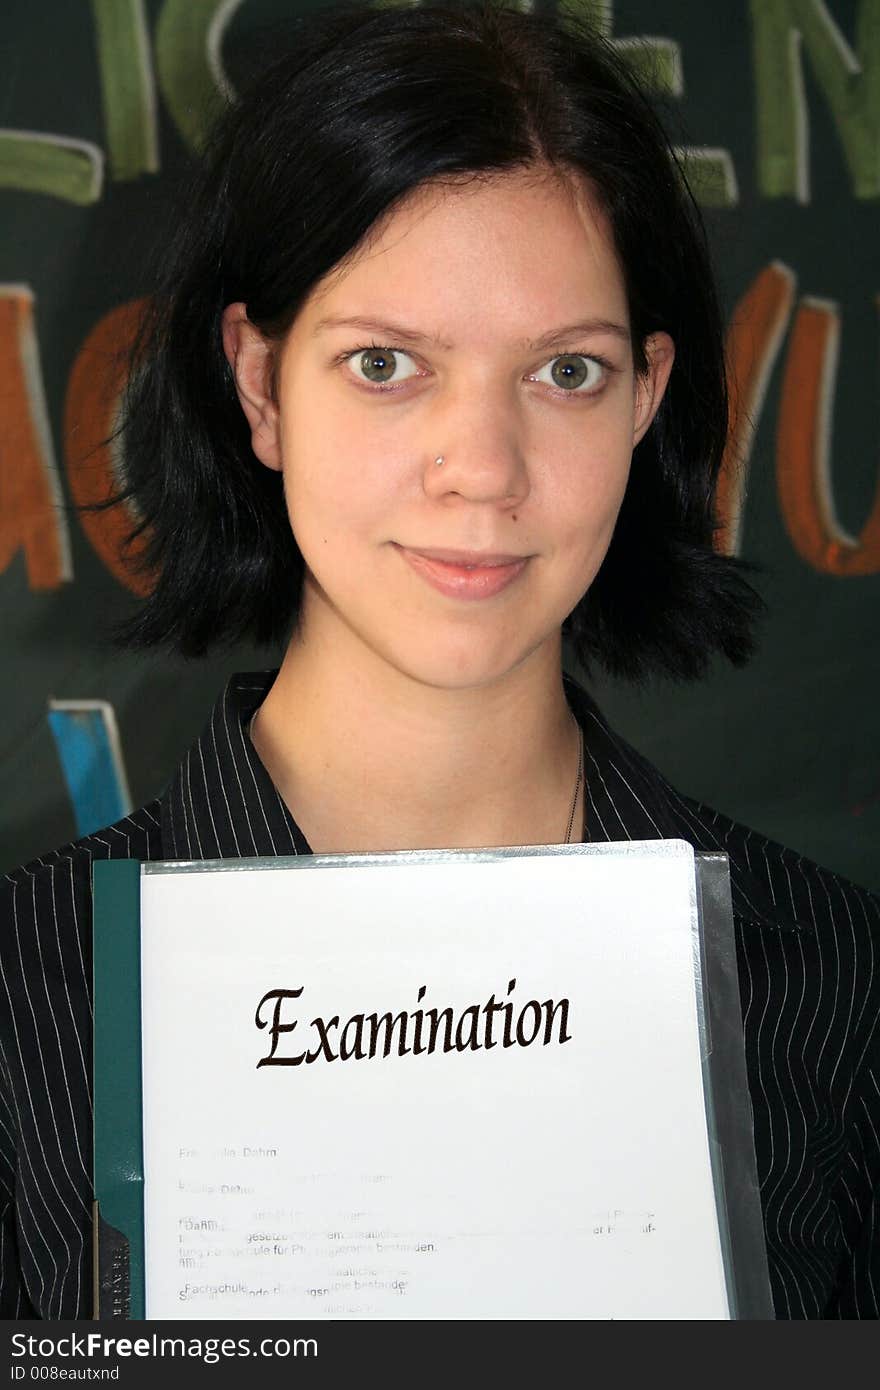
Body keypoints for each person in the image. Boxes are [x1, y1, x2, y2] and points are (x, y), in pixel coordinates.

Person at [1, 1, 877, 1321]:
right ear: (258, 385)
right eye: (385, 362)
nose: (482, 470)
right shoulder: (30, 991)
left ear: (646, 395)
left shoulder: (826, 982)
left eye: (565, 373)